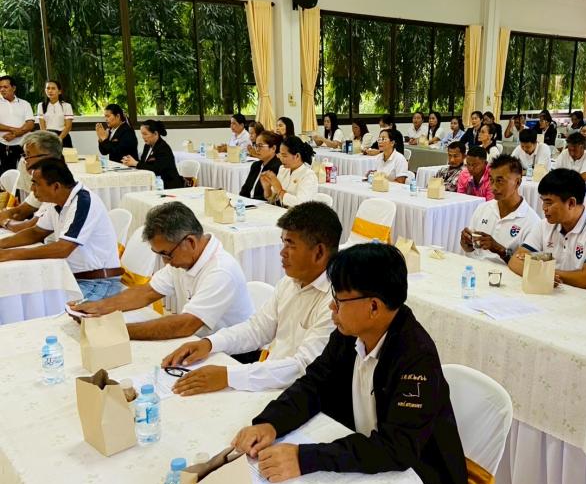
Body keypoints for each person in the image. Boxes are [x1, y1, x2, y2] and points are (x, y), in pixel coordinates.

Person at [230, 243, 467, 484]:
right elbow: (314, 383)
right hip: (369, 457)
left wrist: (304, 457)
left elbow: (397, 449)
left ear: (373, 307)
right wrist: (271, 423)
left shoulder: (416, 357)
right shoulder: (350, 334)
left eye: (339, 300)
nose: (332, 308)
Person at [160, 202, 342, 393]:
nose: (282, 252)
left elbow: (302, 366)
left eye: (290, 244)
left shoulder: (337, 301)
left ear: (319, 252)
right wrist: (209, 343)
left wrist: (228, 376)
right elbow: (257, 329)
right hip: (269, 380)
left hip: (303, 394)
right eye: (283, 242)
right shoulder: (290, 282)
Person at [70, 201, 253, 340]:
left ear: (190, 242)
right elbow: (147, 292)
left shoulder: (221, 271)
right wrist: (99, 307)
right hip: (198, 342)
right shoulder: (182, 258)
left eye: (166, 254)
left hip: (231, 356)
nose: (165, 262)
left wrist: (116, 330)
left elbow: (185, 325)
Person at [0, 159, 122, 300]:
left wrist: (10, 254)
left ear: (56, 186)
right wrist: (2, 244)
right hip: (72, 278)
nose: (32, 189)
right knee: (22, 294)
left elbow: (63, 249)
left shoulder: (83, 202)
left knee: (40, 306)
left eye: (36, 183)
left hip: (98, 282)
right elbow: (36, 233)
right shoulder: (57, 202)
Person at [508, 168, 586, 294]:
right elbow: (514, 261)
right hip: (555, 295)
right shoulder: (544, 225)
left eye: (549, 203)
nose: (543, 208)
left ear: (571, 203)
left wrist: (545, 273)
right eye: (543, 201)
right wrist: (545, 274)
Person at [460, 154, 538, 264]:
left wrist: (499, 249)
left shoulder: (531, 221)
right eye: (491, 180)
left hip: (506, 272)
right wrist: (466, 243)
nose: (494, 187)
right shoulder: (483, 208)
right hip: (475, 267)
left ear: (518, 182)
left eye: (500, 181)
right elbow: (470, 250)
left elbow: (526, 266)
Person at [0, 130, 62, 232]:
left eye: (28, 155)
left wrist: (5, 222)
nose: (25, 160)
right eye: (24, 155)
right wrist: (5, 215)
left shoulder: (56, 184)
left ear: (47, 156)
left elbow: (32, 226)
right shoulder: (43, 180)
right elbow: (22, 210)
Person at [121, 120, 182, 189]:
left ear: (155, 133)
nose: (143, 137)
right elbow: (144, 164)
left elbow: (157, 169)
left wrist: (136, 163)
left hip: (167, 184)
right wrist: (130, 162)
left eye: (145, 134)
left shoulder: (163, 148)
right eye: (142, 134)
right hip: (153, 182)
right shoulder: (147, 146)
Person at [260, 136, 318, 207]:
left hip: (299, 213)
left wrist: (280, 190)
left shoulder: (308, 175)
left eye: (284, 156)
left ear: (297, 156)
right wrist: (267, 187)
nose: (281, 158)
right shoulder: (283, 170)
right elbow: (271, 198)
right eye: (280, 154)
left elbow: (300, 204)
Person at [0, 75, 35, 175]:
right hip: (3, 145)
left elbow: (30, 124)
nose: (2, 90)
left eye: (5, 87)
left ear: (14, 88)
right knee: (6, 175)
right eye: (0, 87)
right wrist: (13, 129)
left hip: (23, 145)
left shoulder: (25, 104)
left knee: (25, 173)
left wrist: (14, 134)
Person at [552, 132, 586, 204]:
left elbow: (584, 177)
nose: (571, 153)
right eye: (570, 149)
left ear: (583, 147)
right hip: (564, 191)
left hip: (585, 194)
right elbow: (555, 173)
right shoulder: (565, 153)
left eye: (574, 150)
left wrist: (564, 182)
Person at [240, 131, 282, 201]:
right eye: (256, 146)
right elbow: (245, 190)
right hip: (248, 202)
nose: (257, 150)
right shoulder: (255, 165)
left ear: (273, 148)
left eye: (260, 146)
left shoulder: (278, 167)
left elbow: (268, 197)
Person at [36, 80, 74, 148]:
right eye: (48, 88)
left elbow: (68, 126)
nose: (50, 91)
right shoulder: (41, 105)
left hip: (63, 137)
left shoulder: (66, 106)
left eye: (53, 88)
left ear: (59, 91)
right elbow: (42, 127)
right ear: (45, 90)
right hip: (47, 138)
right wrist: (48, 139)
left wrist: (59, 139)